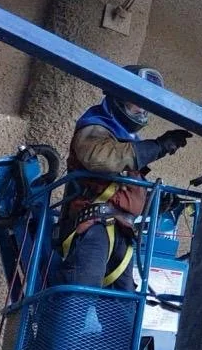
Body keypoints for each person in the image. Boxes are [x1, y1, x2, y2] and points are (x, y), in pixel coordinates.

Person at [57, 64, 191, 291]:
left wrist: (156, 203)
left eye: (146, 105)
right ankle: (67, 324)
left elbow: (122, 194)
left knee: (123, 310)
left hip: (122, 231)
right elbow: (101, 160)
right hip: (92, 228)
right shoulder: (95, 127)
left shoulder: (127, 141)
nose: (142, 110)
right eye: (137, 102)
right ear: (118, 98)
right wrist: (157, 147)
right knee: (78, 298)